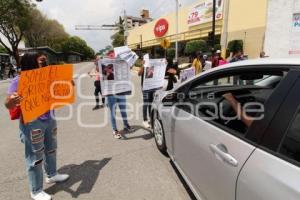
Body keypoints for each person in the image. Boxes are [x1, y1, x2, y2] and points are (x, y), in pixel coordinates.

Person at [4, 53, 69, 200]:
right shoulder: (18, 81)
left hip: (50, 118)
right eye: (42, 61)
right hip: (32, 122)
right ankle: (36, 190)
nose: (45, 63)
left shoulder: (48, 78)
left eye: (46, 60)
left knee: (51, 149)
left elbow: (59, 92)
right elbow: (7, 104)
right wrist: (12, 100)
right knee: (35, 156)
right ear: (30, 63)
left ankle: (52, 175)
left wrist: (68, 85)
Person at [138, 59, 156, 128]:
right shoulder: (144, 66)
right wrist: (142, 65)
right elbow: (139, 74)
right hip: (145, 88)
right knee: (146, 103)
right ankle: (145, 120)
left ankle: (151, 119)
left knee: (151, 104)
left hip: (152, 87)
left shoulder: (153, 66)